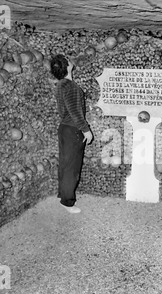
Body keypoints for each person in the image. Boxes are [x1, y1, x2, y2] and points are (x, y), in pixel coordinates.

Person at [50, 54, 93, 213]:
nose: (70, 61)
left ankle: (63, 194)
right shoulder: (70, 87)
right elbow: (75, 112)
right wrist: (86, 130)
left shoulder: (60, 85)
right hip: (73, 129)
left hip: (64, 128)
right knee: (72, 167)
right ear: (67, 66)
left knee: (65, 164)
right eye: (68, 60)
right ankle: (67, 202)